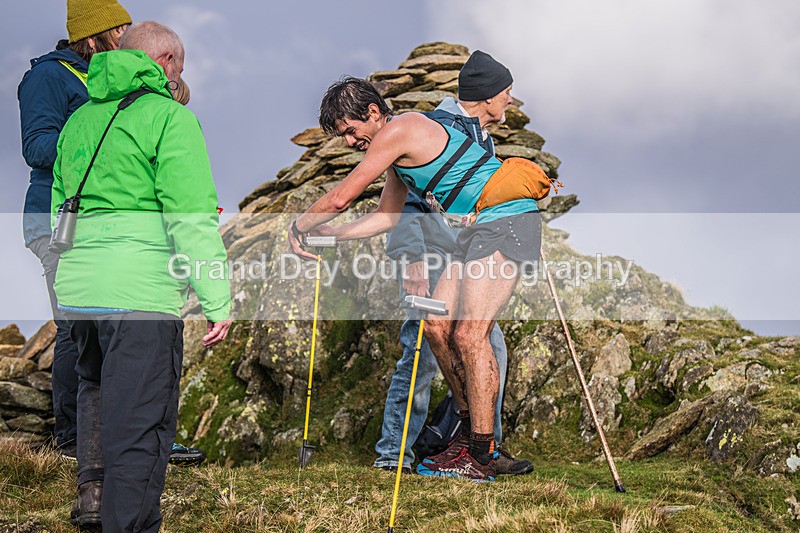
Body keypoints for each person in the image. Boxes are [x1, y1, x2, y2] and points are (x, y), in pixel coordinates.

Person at [289, 55, 544, 482]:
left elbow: (341, 196)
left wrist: (299, 226)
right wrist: (327, 236)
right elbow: (386, 218)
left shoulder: (401, 128)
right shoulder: (400, 153)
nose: (351, 142)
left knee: (470, 335)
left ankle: (481, 456)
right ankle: (472, 435)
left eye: (351, 131)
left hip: (506, 222)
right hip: (478, 233)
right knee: (436, 328)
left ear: (373, 113)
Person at [52, 21, 232, 530]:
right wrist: (216, 300)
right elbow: (191, 216)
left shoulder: (79, 121)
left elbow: (56, 208)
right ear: (168, 62)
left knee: (95, 386)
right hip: (141, 295)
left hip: (81, 291)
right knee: (141, 426)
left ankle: (92, 494)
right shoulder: (169, 119)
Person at [17, 0, 205, 468]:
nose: (127, 37)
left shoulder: (113, 79)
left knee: (124, 328)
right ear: (93, 36)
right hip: (58, 219)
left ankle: (138, 437)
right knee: (77, 330)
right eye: (119, 29)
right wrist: (99, 127)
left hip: (111, 223)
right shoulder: (49, 76)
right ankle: (74, 443)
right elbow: (36, 147)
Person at [373, 51, 533, 476]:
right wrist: (411, 261)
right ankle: (394, 453)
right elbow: (407, 199)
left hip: (468, 257)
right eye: (507, 93)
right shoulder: (437, 129)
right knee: (421, 355)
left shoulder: (481, 136)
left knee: (485, 346)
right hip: (433, 260)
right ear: (485, 96)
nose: (512, 101)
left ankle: (480, 450)